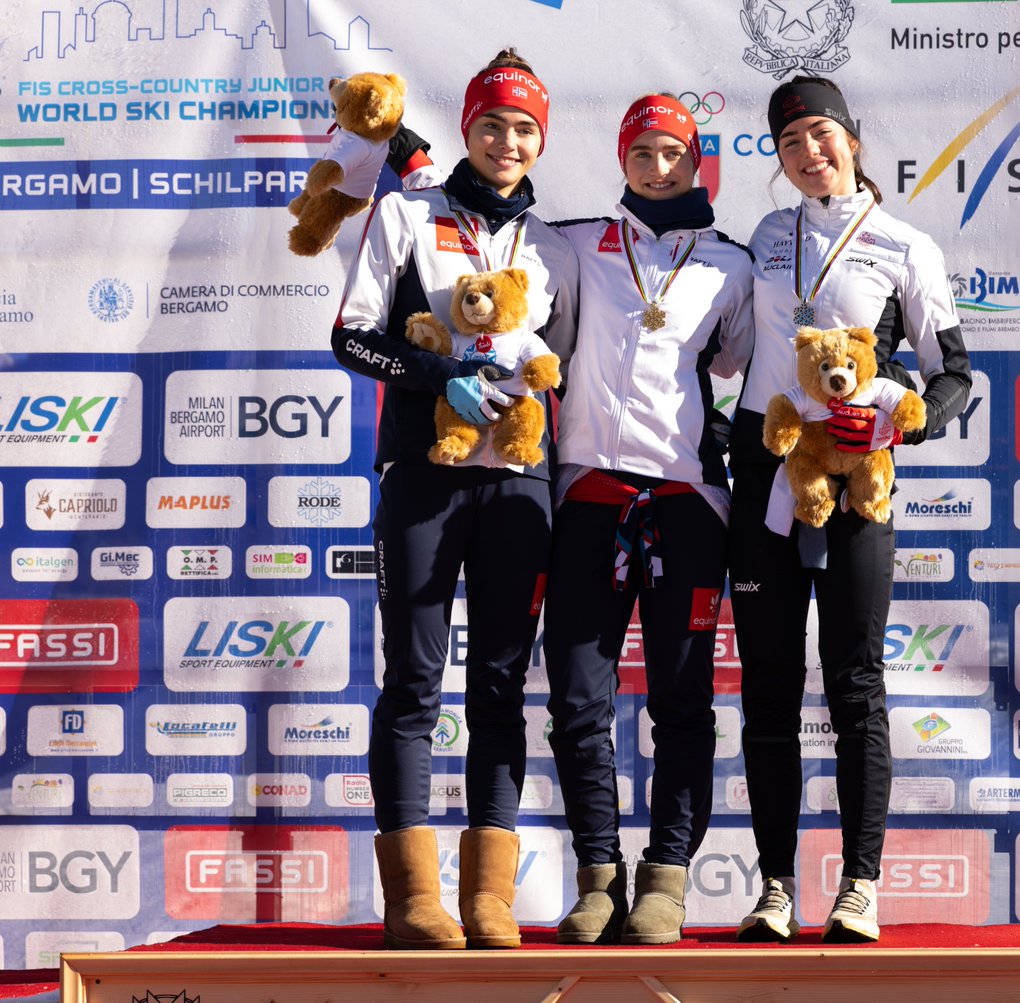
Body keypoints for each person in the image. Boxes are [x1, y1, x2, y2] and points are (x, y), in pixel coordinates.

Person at [331, 49, 576, 951]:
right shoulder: (406, 213)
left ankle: (490, 902)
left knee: (503, 686)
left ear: (539, 144)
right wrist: (440, 375)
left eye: (524, 130)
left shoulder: (550, 246)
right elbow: (353, 340)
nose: (507, 142)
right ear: (469, 129)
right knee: (413, 685)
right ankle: (415, 903)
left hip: (519, 484)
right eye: (492, 125)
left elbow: (565, 362)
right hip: (424, 472)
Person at [729, 76, 972, 944]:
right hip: (765, 465)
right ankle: (776, 885)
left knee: (856, 684)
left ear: (853, 139)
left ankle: (860, 884)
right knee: (767, 687)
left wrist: (899, 408)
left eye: (822, 135)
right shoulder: (763, 236)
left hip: (855, 471)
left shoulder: (905, 245)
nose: (809, 154)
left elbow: (956, 374)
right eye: (791, 143)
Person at [543, 94, 754, 945]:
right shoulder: (575, 242)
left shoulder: (732, 264)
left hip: (688, 498)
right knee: (578, 700)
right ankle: (599, 876)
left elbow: (743, 360)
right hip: (589, 491)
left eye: (674, 153)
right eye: (643, 153)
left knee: (683, 699)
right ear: (622, 159)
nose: (659, 167)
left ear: (697, 159)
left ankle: (664, 881)